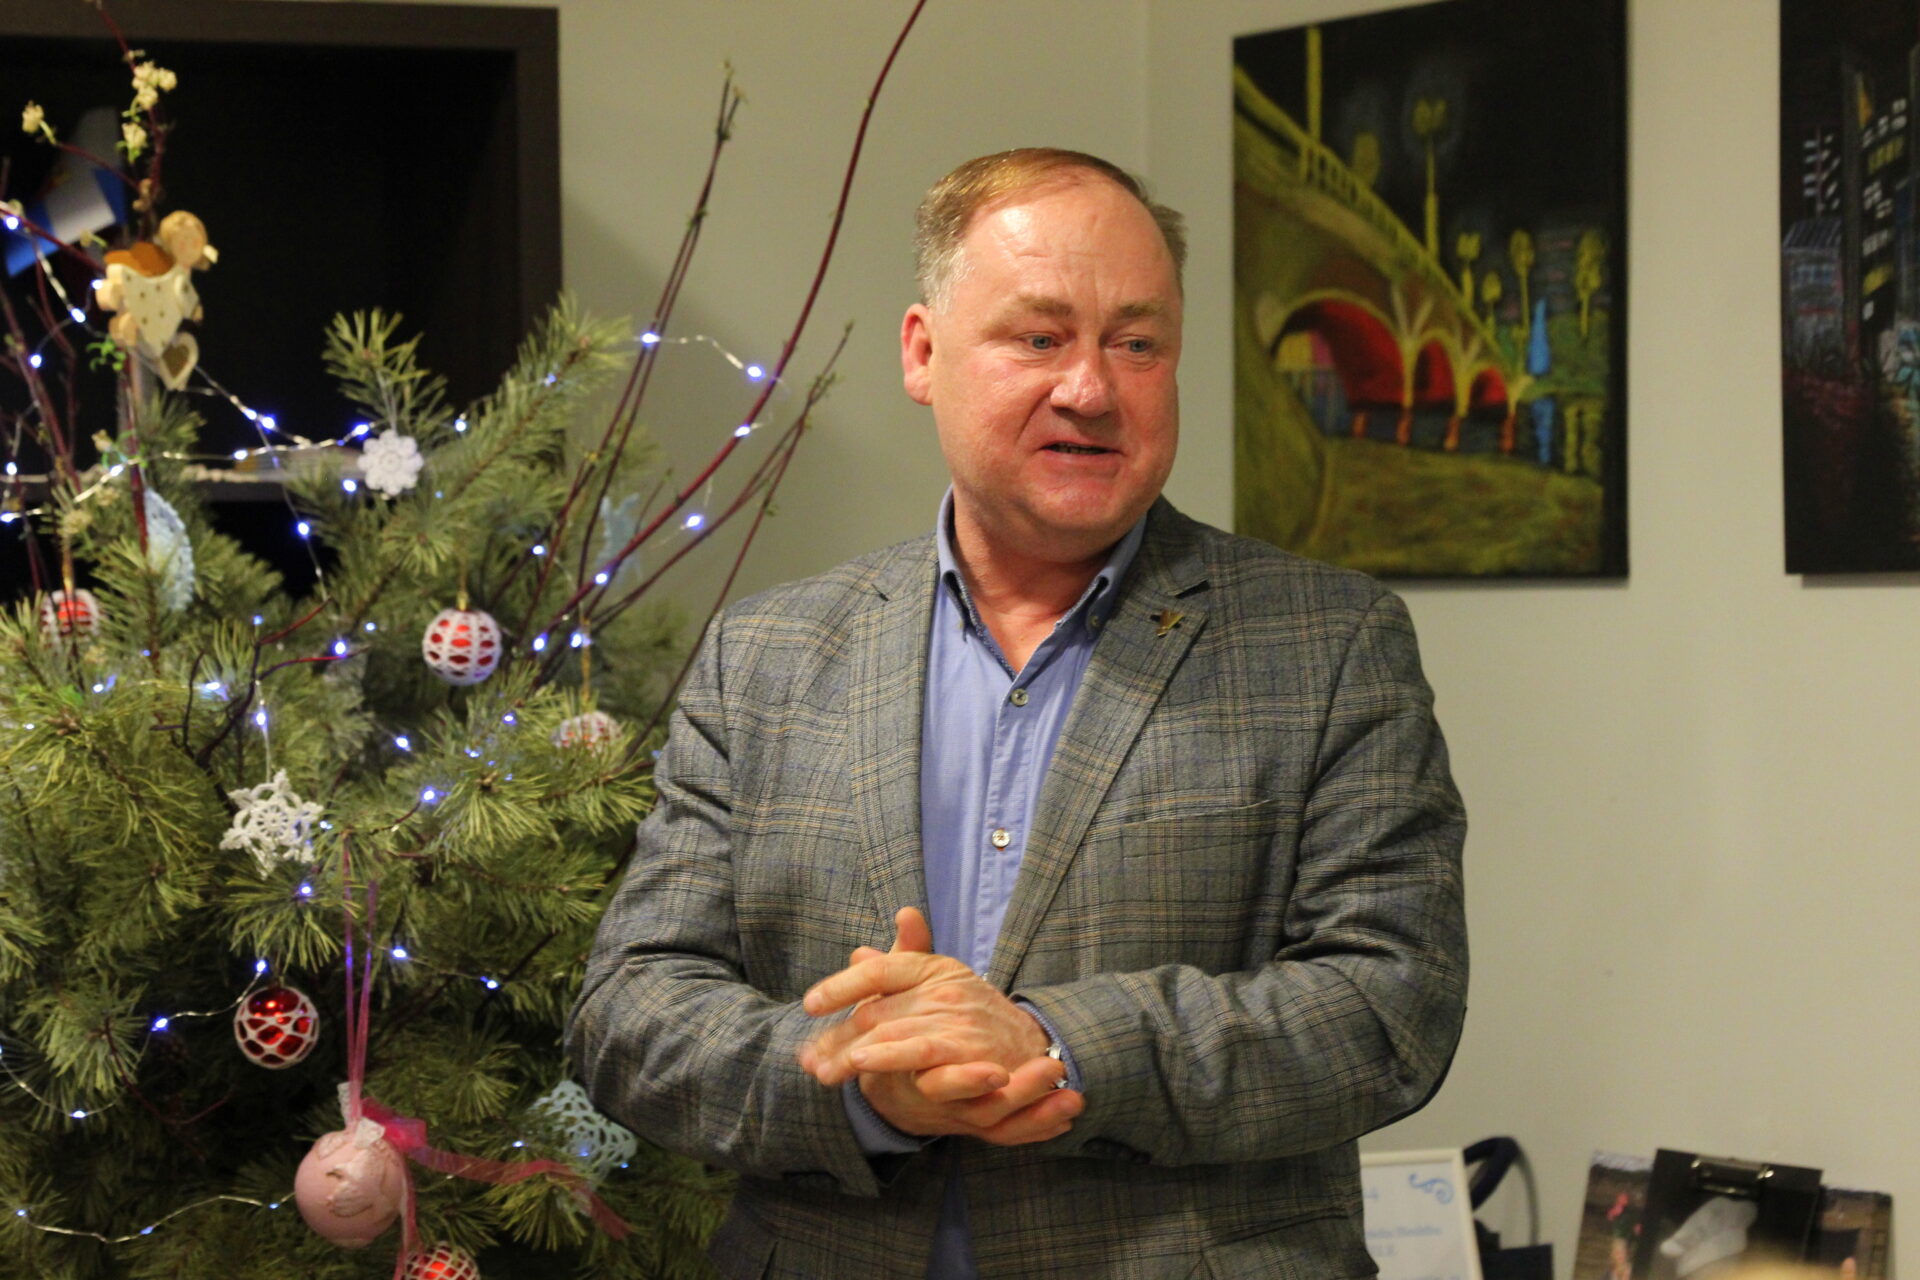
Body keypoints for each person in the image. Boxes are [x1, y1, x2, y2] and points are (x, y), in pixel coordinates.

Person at [569, 147, 1468, 1278]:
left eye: (1136, 343)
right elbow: (633, 1011)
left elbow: (1390, 1006)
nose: (1090, 388)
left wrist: (1052, 1043)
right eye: (1039, 338)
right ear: (922, 352)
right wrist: (864, 1078)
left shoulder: (1328, 643)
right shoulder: (768, 655)